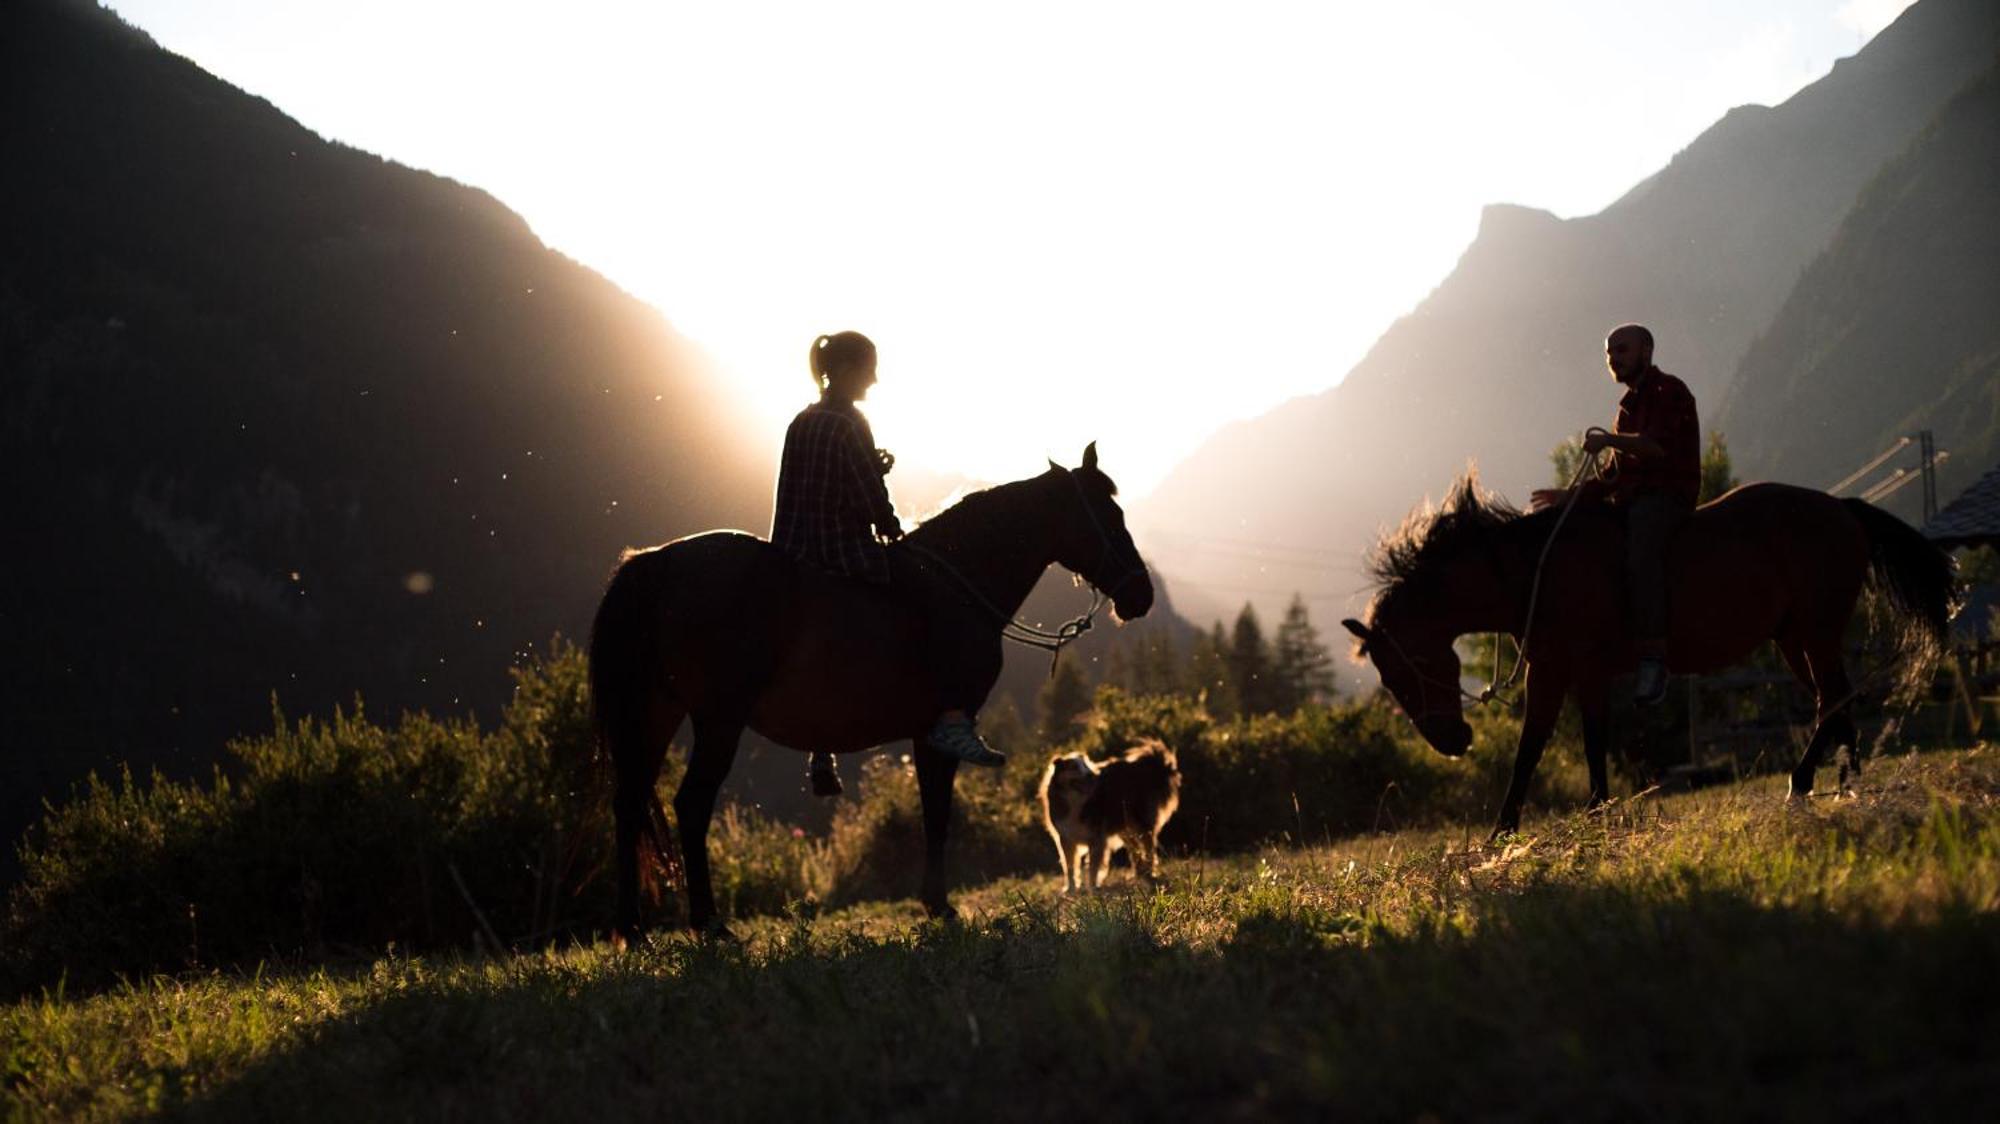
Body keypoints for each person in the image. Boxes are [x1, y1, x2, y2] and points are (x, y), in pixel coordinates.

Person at [771, 331, 1005, 783]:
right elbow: (870, 501)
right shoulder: (850, 422)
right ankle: (952, 720)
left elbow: (809, 486)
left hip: (792, 550)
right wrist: (892, 525)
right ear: (843, 371)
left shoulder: (802, 420)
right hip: (841, 550)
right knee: (935, 598)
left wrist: (867, 467)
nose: (874, 380)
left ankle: (822, 750)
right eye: (868, 369)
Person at [1532, 323, 1699, 705]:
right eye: (1609, 353)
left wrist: (1609, 440)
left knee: (1642, 551)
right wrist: (1570, 497)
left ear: (1646, 351)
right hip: (1632, 500)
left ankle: (1654, 655)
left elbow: (1655, 448)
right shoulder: (1626, 409)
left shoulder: (1669, 391)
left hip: (1666, 498)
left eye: (1622, 350)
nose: (1614, 359)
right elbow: (1613, 476)